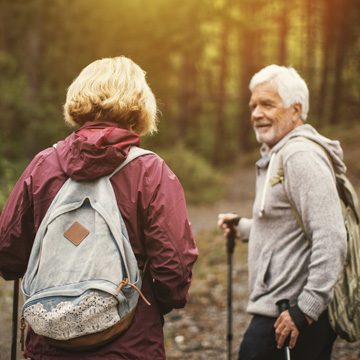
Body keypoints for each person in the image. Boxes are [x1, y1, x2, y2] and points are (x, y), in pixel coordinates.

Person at [0, 56, 198, 360]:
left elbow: (7, 253)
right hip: (129, 344)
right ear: (139, 104)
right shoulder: (150, 171)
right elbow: (174, 267)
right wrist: (147, 305)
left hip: (49, 343)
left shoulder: (43, 165)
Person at [218, 65, 347, 360]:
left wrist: (306, 309)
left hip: (290, 314)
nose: (256, 113)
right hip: (281, 310)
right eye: (253, 106)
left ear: (295, 109)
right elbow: (289, 225)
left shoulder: (300, 156)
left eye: (267, 104)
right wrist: (245, 228)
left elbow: (331, 234)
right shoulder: (279, 153)